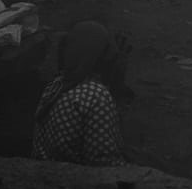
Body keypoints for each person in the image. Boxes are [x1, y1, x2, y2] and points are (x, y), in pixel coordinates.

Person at [31, 21, 128, 166]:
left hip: (44, 171)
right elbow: (105, 163)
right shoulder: (97, 97)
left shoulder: (55, 86)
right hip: (73, 176)